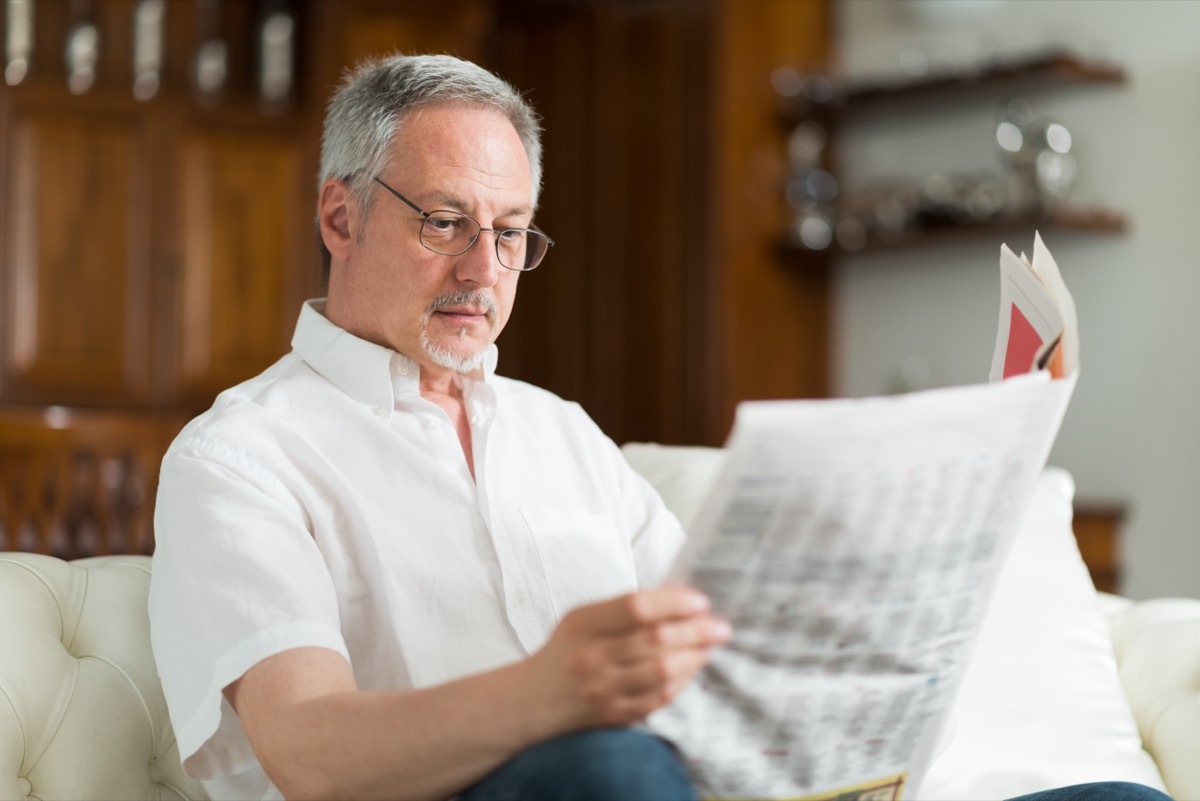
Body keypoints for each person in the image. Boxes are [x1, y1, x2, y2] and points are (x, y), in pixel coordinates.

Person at [149, 53, 1173, 801]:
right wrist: (544, 695)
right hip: (563, 784)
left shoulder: (562, 436)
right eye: (445, 222)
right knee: (612, 762)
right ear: (341, 217)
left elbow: (722, 664)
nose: (482, 271)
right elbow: (309, 749)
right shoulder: (242, 457)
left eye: (510, 233)